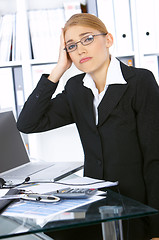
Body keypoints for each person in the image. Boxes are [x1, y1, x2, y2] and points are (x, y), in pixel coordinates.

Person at [17, 13, 159, 240]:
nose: (80, 50)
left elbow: (155, 158)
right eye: (71, 46)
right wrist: (58, 69)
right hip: (95, 207)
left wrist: (156, 228)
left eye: (88, 39)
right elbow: (28, 123)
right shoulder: (76, 88)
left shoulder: (139, 82)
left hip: (135, 207)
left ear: (109, 40)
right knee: (45, 232)